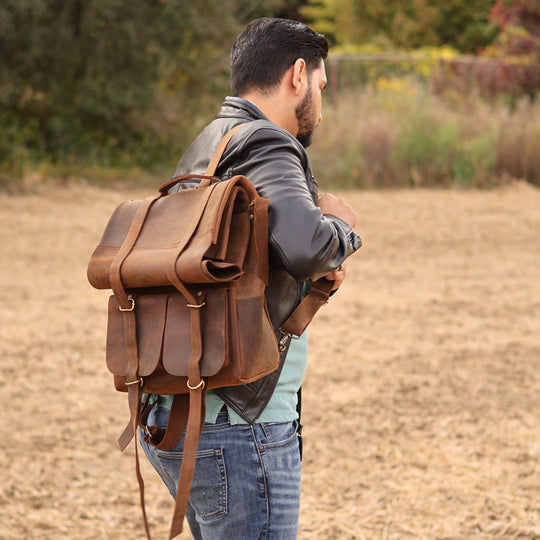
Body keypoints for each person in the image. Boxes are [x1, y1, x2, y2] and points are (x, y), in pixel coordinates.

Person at [139, 17, 361, 539]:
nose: (321, 109)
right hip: (241, 428)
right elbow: (310, 248)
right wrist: (342, 226)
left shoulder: (210, 143)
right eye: (322, 88)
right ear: (298, 75)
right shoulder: (268, 143)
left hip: (181, 412)